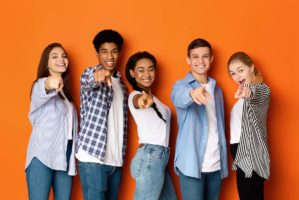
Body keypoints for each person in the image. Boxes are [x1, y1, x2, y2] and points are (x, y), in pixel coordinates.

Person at [171, 38, 228, 200]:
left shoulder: (217, 90)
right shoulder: (181, 86)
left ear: (211, 59)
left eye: (205, 56)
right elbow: (178, 97)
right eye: (195, 57)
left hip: (216, 165)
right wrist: (193, 93)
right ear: (188, 60)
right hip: (191, 165)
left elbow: (220, 126)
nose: (200, 61)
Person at [75, 29, 128, 200]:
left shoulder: (123, 86)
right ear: (97, 54)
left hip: (115, 162)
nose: (109, 56)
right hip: (93, 158)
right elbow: (90, 80)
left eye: (113, 51)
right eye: (104, 52)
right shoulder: (88, 74)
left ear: (119, 53)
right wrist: (98, 74)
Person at [25, 43, 78, 200]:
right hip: (42, 156)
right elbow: (45, 86)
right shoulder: (38, 87)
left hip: (65, 158)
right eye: (54, 56)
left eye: (64, 56)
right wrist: (51, 82)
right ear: (46, 63)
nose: (61, 59)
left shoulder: (67, 99)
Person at [125, 51, 178, 200]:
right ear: (132, 73)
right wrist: (143, 100)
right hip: (150, 157)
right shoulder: (134, 95)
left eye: (150, 69)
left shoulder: (156, 100)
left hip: (159, 159)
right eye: (141, 70)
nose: (146, 74)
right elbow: (138, 101)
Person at [227, 51, 270, 200]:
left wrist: (248, 92)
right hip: (242, 153)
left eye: (240, 70)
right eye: (233, 73)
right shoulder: (241, 100)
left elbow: (258, 93)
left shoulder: (261, 90)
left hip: (250, 153)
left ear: (251, 67)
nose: (237, 76)